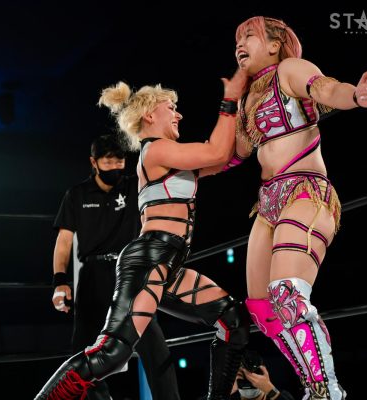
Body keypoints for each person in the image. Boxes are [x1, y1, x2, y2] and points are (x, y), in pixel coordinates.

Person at [34, 68, 253, 400]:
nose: (179, 114)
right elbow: (217, 152)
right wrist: (230, 101)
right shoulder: (156, 150)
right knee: (111, 353)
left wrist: (257, 111)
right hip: (149, 260)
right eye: (171, 108)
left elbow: (233, 156)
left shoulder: (172, 157)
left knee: (232, 320)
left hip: (169, 265)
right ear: (150, 115)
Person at [222, 16, 367, 399]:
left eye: (249, 36)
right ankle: (312, 385)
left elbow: (325, 88)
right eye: (237, 40)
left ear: (275, 44)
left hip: (304, 190)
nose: (240, 45)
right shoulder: (248, 97)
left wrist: (355, 96)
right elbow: (233, 153)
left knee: (287, 294)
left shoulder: (289, 69)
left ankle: (326, 392)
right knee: (263, 310)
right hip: (268, 203)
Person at [51, 134, 180, 399]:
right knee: (83, 350)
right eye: (108, 161)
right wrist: (60, 281)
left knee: (153, 346)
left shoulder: (135, 186)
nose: (114, 166)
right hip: (92, 276)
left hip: (131, 273)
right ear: (93, 162)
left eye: (119, 161)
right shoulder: (76, 194)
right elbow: (64, 241)